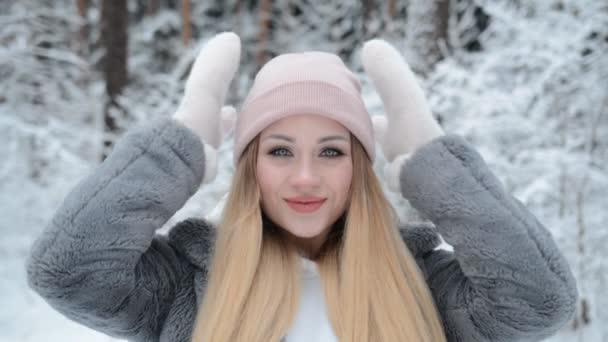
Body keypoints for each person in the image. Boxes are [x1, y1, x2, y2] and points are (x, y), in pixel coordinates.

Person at [26, 32, 578, 342]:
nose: (306, 176)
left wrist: (432, 164)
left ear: (359, 169)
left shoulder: (422, 284)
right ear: (250, 168)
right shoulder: (187, 284)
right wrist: (178, 148)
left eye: (332, 152)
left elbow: (538, 300)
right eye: (280, 150)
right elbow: (67, 272)